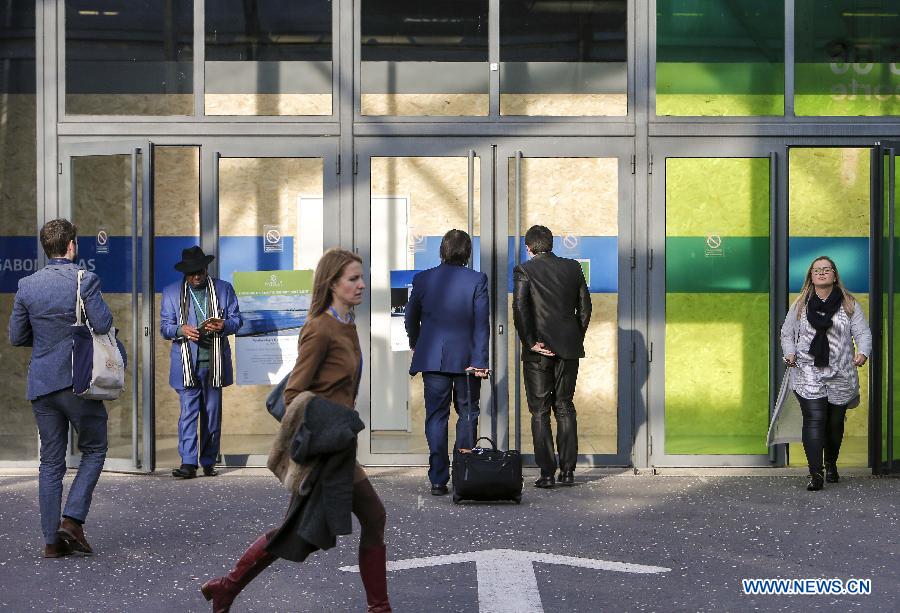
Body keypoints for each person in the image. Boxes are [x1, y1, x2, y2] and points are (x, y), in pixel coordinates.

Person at [200, 249, 391, 613]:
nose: (361, 284)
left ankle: (379, 608)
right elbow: (293, 394)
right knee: (296, 533)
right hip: (324, 450)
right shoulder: (320, 328)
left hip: (340, 448)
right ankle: (227, 586)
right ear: (332, 283)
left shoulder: (347, 323)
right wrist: (330, 425)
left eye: (361, 277)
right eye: (353, 278)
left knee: (371, 517)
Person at [7, 218, 113, 558]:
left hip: (42, 383)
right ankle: (73, 520)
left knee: (50, 463)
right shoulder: (85, 279)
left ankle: (51, 542)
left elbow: (16, 336)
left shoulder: (27, 285)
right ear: (71, 246)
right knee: (94, 449)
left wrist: (46, 342)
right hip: (78, 380)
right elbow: (103, 324)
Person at [404, 229, 490, 496]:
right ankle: (463, 475)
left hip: (433, 359)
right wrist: (480, 360)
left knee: (436, 416)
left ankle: (438, 479)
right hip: (467, 361)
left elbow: (410, 317)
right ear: (467, 252)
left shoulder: (423, 278)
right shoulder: (477, 280)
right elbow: (482, 324)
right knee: (468, 414)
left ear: (442, 250)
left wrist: (417, 342)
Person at [777, 255, 871, 491]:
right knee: (814, 419)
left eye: (826, 269)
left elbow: (862, 333)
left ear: (835, 275)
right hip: (808, 370)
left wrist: (863, 352)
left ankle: (831, 464)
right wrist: (790, 353)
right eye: (817, 270)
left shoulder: (848, 304)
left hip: (841, 370)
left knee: (834, 422)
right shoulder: (800, 304)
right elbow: (787, 333)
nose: (821, 273)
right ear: (811, 276)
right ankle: (815, 474)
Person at [512, 225, 591, 489]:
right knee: (565, 406)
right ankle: (568, 472)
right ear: (551, 244)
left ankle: (547, 474)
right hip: (568, 348)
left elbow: (520, 307)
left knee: (540, 411)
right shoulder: (573, 267)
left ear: (529, 248)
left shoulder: (524, 270)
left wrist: (530, 342)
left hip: (539, 352)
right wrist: (574, 337)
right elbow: (585, 308)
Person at [160, 246, 242, 479]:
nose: (196, 276)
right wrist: (180, 329)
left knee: (211, 415)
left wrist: (224, 325)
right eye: (191, 273)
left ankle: (208, 461)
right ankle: (188, 463)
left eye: (200, 271)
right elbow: (165, 328)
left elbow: (237, 320)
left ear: (206, 269)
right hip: (186, 365)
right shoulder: (171, 292)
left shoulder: (224, 289)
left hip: (214, 364)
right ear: (184, 273)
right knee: (188, 413)